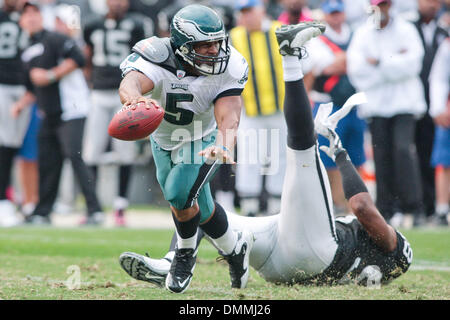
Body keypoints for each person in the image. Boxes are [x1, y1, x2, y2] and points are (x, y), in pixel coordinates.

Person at [118, 21, 413, 287]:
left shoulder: (396, 253)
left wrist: (341, 156)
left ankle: (291, 57)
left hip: (315, 252)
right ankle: (222, 252)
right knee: (204, 210)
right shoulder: (381, 266)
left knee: (302, 153)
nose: (213, 49)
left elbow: (362, 207)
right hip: (287, 252)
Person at [118, 4, 253, 293]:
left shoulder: (231, 66)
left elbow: (229, 114)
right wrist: (133, 100)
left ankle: (183, 257)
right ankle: (235, 250)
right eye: (204, 45)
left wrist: (223, 143)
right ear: (181, 46)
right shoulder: (158, 56)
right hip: (162, 138)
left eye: (217, 42)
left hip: (201, 140)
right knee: (199, 208)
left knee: (180, 195)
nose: (214, 51)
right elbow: (131, 82)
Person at [11, 1, 103, 225]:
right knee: (48, 161)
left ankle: (95, 210)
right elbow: (33, 87)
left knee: (75, 156)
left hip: (71, 108)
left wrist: (51, 75)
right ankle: (42, 212)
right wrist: (21, 104)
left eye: (35, 13)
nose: (31, 18)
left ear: (43, 18)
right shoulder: (27, 50)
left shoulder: (54, 38)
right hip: (48, 112)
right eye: (26, 15)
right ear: (21, 21)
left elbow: (79, 58)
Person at [347, 0, 427, 227]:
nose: (380, 10)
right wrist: (394, 63)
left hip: (405, 103)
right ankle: (386, 208)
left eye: (383, 5)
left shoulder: (406, 29)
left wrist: (380, 63)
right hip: (376, 105)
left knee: (403, 151)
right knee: (381, 156)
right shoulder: (363, 34)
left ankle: (414, 206)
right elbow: (357, 71)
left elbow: (413, 64)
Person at [82, 0, 149, 226]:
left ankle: (120, 206)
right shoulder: (92, 24)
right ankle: (93, 206)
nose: (117, 3)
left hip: (125, 95)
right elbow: (87, 55)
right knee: (91, 152)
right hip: (99, 92)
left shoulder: (137, 24)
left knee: (125, 153)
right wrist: (90, 81)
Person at [307, 0, 366, 215]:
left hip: (352, 102)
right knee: (329, 155)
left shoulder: (354, 34)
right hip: (327, 103)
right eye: (331, 14)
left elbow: (345, 63)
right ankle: (338, 202)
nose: (335, 17)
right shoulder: (317, 39)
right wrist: (349, 61)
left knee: (356, 154)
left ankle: (358, 202)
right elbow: (324, 66)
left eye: (338, 13)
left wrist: (343, 62)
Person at [231, 0, 287, 216]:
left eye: (249, 11)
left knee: (280, 156)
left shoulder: (278, 32)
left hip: (279, 107)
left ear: (261, 10)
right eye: (242, 12)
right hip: (250, 109)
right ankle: (250, 207)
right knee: (249, 156)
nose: (246, 17)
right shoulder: (235, 36)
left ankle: (276, 206)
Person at [413, 0, 448, 224]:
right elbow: (439, 77)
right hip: (420, 103)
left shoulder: (442, 32)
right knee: (429, 158)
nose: (433, 5)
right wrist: (438, 107)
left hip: (437, 105)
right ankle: (431, 207)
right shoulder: (409, 28)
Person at [0, 0, 31, 227]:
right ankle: (4, 200)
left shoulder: (30, 16)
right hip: (3, 84)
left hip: (25, 89)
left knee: (14, 145)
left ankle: (10, 198)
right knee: (6, 144)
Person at [429, 37, 450, 226]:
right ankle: (442, 209)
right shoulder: (447, 45)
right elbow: (439, 78)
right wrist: (439, 107)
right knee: (444, 162)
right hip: (449, 109)